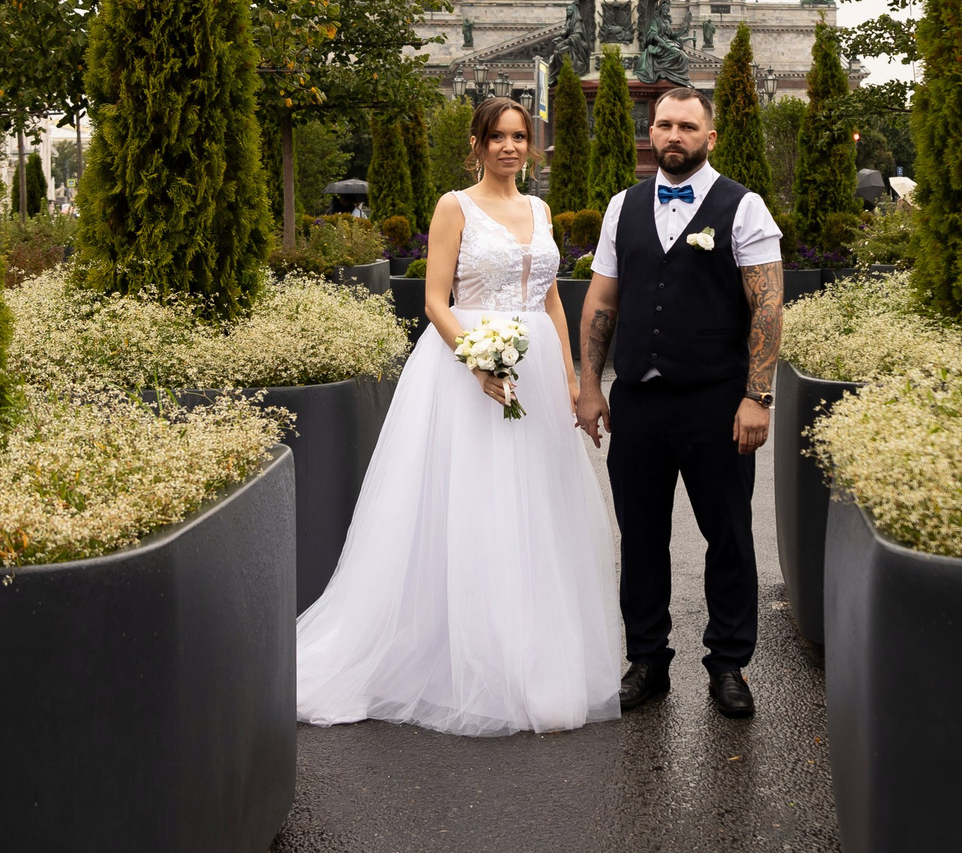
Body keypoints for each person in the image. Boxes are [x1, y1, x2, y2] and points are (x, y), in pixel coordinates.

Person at [294, 97, 623, 736]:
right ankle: (469, 661)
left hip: (533, 368)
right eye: (496, 136)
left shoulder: (541, 209)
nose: (508, 147)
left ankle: (532, 655)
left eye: (519, 136)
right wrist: (476, 361)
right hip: (463, 368)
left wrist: (569, 373)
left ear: (530, 145)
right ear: (476, 144)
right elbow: (433, 300)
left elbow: (552, 299)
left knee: (537, 512)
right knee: (474, 508)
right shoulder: (455, 206)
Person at [573, 87, 784, 720]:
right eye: (663, 123)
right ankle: (647, 660)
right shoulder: (623, 206)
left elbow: (768, 306)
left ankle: (728, 664)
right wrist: (590, 386)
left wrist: (758, 396)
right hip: (637, 397)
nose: (672, 135)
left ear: (708, 137)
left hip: (717, 402)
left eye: (687, 126)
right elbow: (602, 299)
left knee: (728, 536)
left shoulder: (743, 207)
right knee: (639, 537)